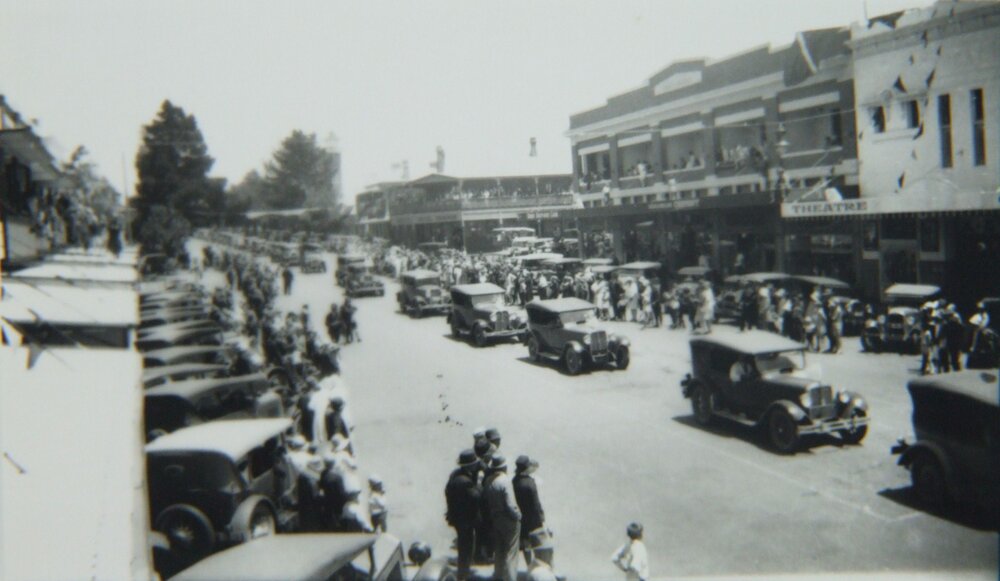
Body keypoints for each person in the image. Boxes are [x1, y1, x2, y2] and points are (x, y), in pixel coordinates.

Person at [445, 449, 482, 581]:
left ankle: (463, 572)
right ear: (470, 465)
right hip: (465, 520)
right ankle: (463, 574)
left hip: (457, 517)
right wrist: (478, 485)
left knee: (463, 545)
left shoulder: (455, 475)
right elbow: (476, 497)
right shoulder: (465, 481)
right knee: (466, 547)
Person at [483, 455, 521, 581]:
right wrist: (517, 515)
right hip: (508, 519)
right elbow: (510, 503)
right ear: (504, 466)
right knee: (511, 552)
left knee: (499, 550)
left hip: (495, 518)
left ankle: (498, 576)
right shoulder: (505, 480)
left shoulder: (489, 480)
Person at [513, 455, 547, 566]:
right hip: (532, 518)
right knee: (537, 542)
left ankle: (529, 564)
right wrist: (541, 518)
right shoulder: (529, 483)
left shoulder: (515, 480)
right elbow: (535, 503)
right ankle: (538, 565)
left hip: (521, 517)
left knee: (525, 543)